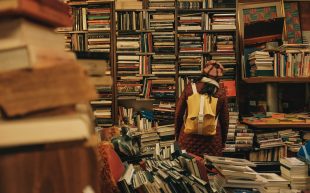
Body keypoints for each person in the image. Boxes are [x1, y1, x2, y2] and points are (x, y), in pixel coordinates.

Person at [175, 60, 229, 157]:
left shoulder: (189, 88)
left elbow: (178, 114)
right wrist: (223, 141)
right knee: (210, 170)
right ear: (219, 77)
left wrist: (177, 136)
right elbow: (225, 120)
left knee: (188, 168)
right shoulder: (221, 93)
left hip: (188, 140)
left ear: (203, 72)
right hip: (212, 142)